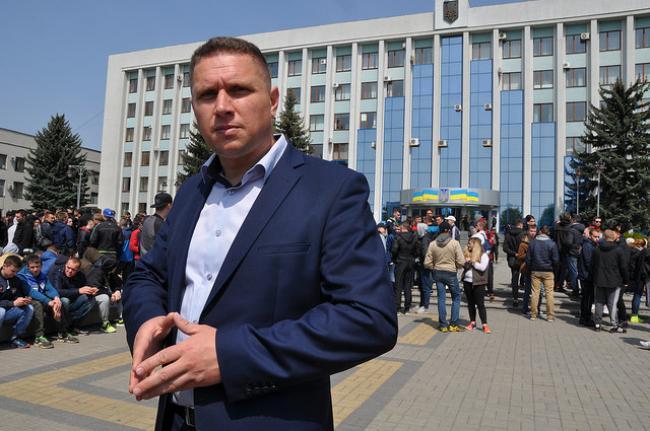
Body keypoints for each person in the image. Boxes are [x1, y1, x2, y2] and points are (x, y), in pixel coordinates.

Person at [123, 36, 397, 430]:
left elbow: (368, 319)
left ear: (272, 101)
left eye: (238, 90)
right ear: (194, 108)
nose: (222, 106)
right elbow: (149, 275)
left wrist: (230, 355)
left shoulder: (331, 190)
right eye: (207, 95)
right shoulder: (191, 191)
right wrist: (146, 319)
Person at [18, 254, 76, 348]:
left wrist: (56, 298)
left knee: (59, 302)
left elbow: (50, 288)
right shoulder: (21, 277)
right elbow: (30, 292)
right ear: (27, 267)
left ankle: (63, 332)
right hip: (26, 300)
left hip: (41, 299)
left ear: (41, 266)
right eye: (32, 267)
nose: (35, 269)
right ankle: (39, 337)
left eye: (38, 267)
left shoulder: (42, 276)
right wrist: (48, 301)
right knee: (37, 304)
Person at [425, 221, 465, 332]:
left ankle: (443, 325)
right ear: (449, 231)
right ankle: (453, 324)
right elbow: (461, 261)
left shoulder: (433, 244)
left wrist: (434, 267)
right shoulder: (454, 243)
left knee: (441, 299)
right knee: (456, 297)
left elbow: (427, 262)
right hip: (451, 272)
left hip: (438, 273)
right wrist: (456, 266)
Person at [592, 230, 629, 333]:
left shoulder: (597, 249)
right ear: (614, 237)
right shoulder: (618, 250)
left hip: (599, 279)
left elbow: (592, 266)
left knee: (599, 302)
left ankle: (597, 323)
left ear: (604, 237)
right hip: (614, 280)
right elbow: (623, 267)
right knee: (612, 303)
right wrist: (626, 280)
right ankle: (614, 325)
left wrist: (593, 278)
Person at [48, 256, 96, 336]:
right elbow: (57, 291)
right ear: (65, 265)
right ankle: (66, 327)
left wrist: (91, 290)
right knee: (65, 300)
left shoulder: (80, 275)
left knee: (90, 299)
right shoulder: (57, 273)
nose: (70, 271)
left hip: (74, 301)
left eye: (73, 270)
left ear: (78, 270)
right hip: (60, 302)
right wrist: (78, 291)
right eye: (68, 267)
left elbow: (87, 285)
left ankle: (71, 322)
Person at [526, 225, 559, 321]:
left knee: (535, 293)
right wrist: (554, 270)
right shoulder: (552, 244)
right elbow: (556, 260)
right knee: (549, 293)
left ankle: (533, 315)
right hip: (548, 271)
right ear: (548, 233)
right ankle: (550, 316)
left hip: (535, 270)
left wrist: (530, 269)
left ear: (540, 232)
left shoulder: (533, 243)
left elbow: (528, 259)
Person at [0, 255, 33, 348]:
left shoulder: (16, 280)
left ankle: (16, 339)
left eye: (16, 272)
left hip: (9, 311)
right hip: (2, 310)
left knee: (29, 308)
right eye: (12, 271)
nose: (14, 274)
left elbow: (17, 295)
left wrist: (23, 300)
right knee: (1, 311)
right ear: (5, 266)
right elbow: (11, 303)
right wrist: (12, 303)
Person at [462, 237, 491, 333]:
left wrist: (472, 262)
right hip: (467, 281)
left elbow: (482, 268)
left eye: (470, 243)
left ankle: (484, 325)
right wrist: (465, 262)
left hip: (479, 282)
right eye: (468, 243)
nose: (468, 245)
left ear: (475, 245)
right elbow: (463, 266)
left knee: (480, 304)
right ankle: (472, 322)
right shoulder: (468, 253)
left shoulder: (483, 255)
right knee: (470, 304)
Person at [392, 221, 419, 314]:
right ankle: (407, 306)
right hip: (410, 262)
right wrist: (413, 257)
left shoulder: (398, 237)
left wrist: (394, 259)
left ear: (403, 228)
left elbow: (394, 250)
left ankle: (397, 306)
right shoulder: (414, 237)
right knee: (408, 285)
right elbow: (417, 251)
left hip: (400, 262)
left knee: (398, 286)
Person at [139, 192, 173, 256]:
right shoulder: (159, 224)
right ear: (169, 205)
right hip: (153, 260)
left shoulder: (148, 220)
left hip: (145, 258)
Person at [578, 227, 599, 327]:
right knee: (587, 298)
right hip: (586, 276)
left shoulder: (592, 245)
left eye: (598, 237)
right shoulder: (587, 245)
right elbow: (588, 262)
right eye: (595, 236)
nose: (597, 238)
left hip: (588, 275)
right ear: (590, 236)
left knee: (588, 298)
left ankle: (586, 317)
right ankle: (585, 318)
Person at [503, 220, 524, 307]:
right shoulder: (523, 234)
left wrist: (514, 253)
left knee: (515, 278)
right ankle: (527, 298)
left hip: (512, 260)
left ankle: (515, 298)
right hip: (522, 259)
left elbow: (505, 248)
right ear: (521, 225)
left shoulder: (508, 234)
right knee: (525, 277)